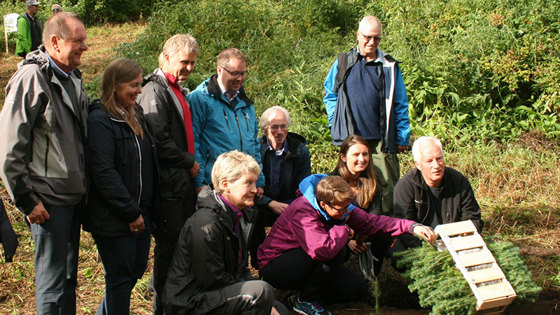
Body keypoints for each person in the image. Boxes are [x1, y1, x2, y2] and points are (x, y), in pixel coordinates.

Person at [0, 12, 88, 314]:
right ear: (54, 41)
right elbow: (9, 147)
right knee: (51, 285)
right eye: (78, 41)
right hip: (48, 203)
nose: (85, 47)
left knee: (67, 279)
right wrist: (26, 200)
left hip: (71, 198)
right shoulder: (31, 78)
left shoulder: (71, 77)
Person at [257, 175, 435, 315]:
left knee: (355, 289)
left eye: (347, 207)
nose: (345, 212)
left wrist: (411, 226)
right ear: (324, 204)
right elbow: (321, 250)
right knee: (337, 248)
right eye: (340, 209)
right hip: (277, 264)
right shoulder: (303, 211)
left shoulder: (340, 206)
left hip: (308, 261)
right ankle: (306, 300)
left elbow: (373, 222)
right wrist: (343, 231)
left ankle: (298, 297)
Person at [163, 151, 288, 315]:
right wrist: (258, 295)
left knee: (279, 309)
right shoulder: (206, 224)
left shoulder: (243, 215)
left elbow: (241, 269)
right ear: (225, 184)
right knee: (260, 293)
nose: (254, 189)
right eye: (248, 183)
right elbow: (210, 280)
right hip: (189, 302)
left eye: (255, 183)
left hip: (217, 294)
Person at [84, 57, 156, 314]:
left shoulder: (135, 115)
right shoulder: (100, 121)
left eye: (140, 84)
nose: (139, 91)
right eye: (133, 85)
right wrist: (130, 211)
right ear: (114, 85)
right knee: (120, 279)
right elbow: (104, 172)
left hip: (140, 212)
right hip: (114, 217)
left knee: (134, 272)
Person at [137, 34, 200, 315]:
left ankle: (176, 298)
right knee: (168, 247)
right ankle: (161, 306)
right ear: (165, 57)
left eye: (193, 63)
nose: (188, 68)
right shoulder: (154, 91)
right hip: (167, 185)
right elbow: (159, 140)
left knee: (178, 245)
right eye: (184, 62)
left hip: (180, 182)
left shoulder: (177, 89)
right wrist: (188, 161)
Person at [323, 15, 410, 215]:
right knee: (349, 187)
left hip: (382, 139)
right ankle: (350, 229)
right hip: (352, 139)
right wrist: (335, 123)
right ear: (358, 35)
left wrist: (402, 135)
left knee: (387, 187)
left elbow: (400, 102)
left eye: (376, 38)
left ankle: (389, 233)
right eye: (367, 37)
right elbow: (330, 94)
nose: (371, 42)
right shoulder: (343, 62)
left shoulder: (389, 65)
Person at [189, 48, 264, 196]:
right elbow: (193, 142)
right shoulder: (200, 99)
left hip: (244, 185)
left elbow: (254, 144)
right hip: (216, 185)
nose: (239, 78)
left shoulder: (246, 104)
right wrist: (199, 183)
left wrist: (259, 181)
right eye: (234, 73)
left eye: (242, 73)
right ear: (219, 70)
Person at [393, 136, 483, 250]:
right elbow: (405, 226)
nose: (436, 166)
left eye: (439, 159)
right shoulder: (405, 186)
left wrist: (464, 233)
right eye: (429, 161)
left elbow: (473, 217)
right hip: (422, 244)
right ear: (417, 164)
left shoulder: (458, 181)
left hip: (456, 241)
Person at [251, 106, 311, 267]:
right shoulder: (255, 150)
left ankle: (291, 262)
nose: (279, 131)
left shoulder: (299, 150)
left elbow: (304, 188)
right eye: (274, 127)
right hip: (262, 203)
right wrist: (269, 202)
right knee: (250, 212)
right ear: (265, 129)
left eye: (283, 126)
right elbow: (250, 187)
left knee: (304, 216)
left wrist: (290, 206)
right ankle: (259, 262)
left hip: (288, 204)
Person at [330, 135, 390, 276]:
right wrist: (347, 240)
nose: (362, 159)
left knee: (383, 234)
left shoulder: (373, 180)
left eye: (365, 154)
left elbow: (376, 212)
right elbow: (328, 219)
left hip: (363, 229)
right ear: (343, 157)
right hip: (339, 232)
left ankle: (372, 276)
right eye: (356, 155)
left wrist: (364, 234)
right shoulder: (332, 181)